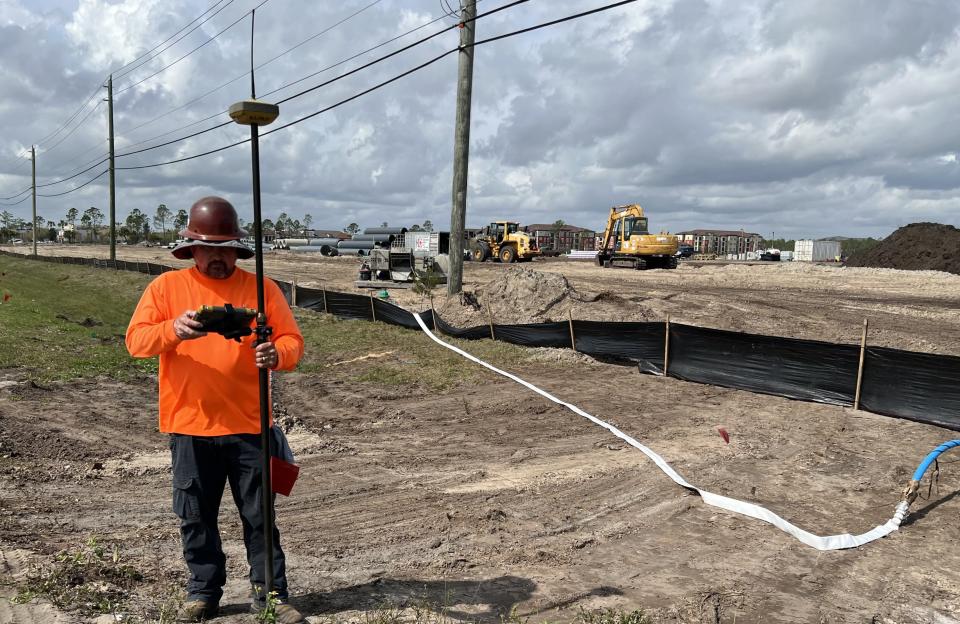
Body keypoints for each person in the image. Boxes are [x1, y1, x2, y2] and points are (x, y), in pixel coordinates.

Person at [125, 197, 306, 623]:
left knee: (260, 517)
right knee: (195, 516)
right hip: (190, 426)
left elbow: (292, 343)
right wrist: (172, 330)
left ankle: (271, 596)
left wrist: (274, 354)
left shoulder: (262, 288)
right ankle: (203, 592)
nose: (218, 257)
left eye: (225, 249)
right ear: (191, 247)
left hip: (250, 425)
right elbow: (136, 341)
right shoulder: (165, 289)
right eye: (208, 249)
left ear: (237, 249)